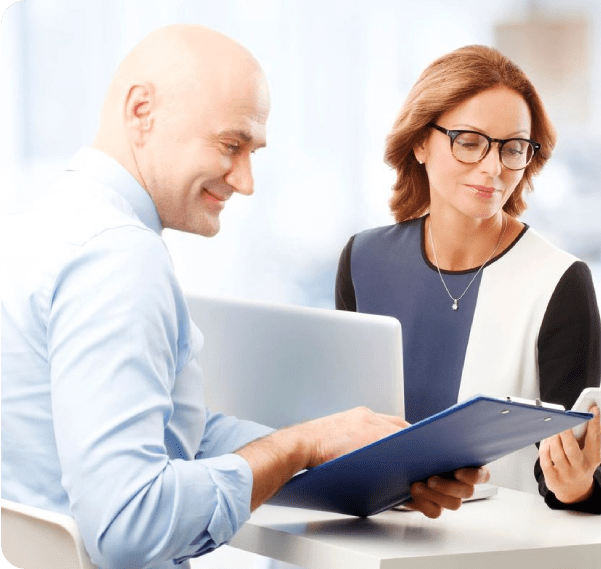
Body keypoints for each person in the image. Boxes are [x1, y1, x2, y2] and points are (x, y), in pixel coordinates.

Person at [0, 26, 489, 569]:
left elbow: (169, 434)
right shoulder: (118, 256)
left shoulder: (36, 228)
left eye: (252, 151)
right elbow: (128, 523)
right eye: (230, 145)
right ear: (142, 111)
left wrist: (340, 455)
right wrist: (299, 446)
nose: (247, 181)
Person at [335, 45, 601, 513]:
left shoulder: (560, 282)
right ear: (421, 142)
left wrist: (574, 485)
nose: (493, 167)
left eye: (514, 147)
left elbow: (580, 473)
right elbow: (341, 429)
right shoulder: (362, 260)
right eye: (469, 141)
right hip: (373, 537)